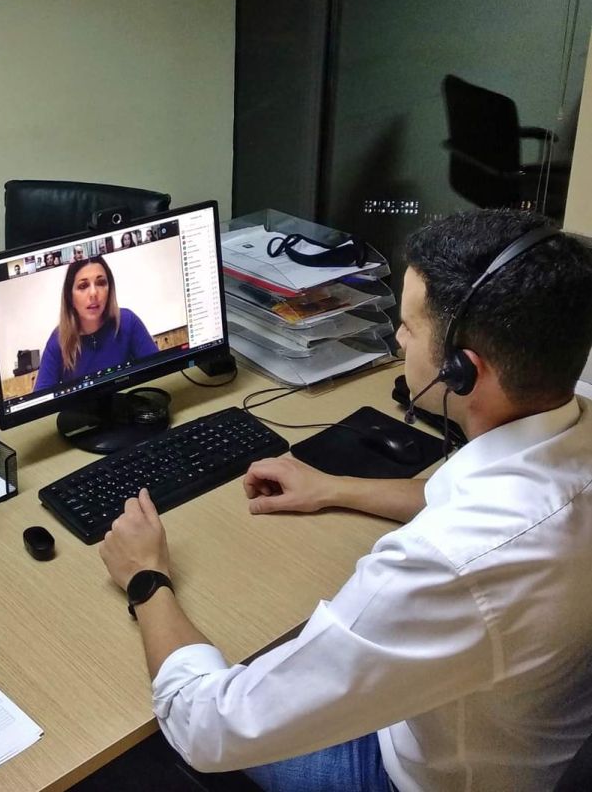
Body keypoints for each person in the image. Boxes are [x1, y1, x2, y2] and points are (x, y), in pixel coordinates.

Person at [98, 209, 592, 792]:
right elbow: (477, 503)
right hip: (524, 738)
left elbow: (209, 728)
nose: (399, 340)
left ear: (463, 372)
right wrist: (333, 487)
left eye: (409, 327)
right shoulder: (571, 430)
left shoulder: (443, 564)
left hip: (416, 772)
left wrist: (146, 579)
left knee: (154, 718)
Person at [34, 255, 158, 390]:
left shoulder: (127, 321)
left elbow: (160, 372)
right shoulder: (59, 339)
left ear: (110, 289)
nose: (93, 293)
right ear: (70, 297)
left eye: (101, 283)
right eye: (83, 286)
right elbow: (41, 397)